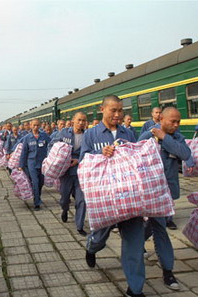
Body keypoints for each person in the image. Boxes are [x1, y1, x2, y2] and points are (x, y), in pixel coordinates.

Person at [80, 95, 145, 297]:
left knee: (134, 243)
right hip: (105, 198)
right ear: (102, 109)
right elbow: (83, 162)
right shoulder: (91, 135)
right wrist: (101, 155)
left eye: (120, 110)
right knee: (100, 237)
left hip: (128, 196)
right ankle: (91, 248)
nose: (117, 115)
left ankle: (135, 289)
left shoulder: (129, 133)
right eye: (113, 110)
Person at [138, 107, 192, 291]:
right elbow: (135, 159)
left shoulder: (176, 137)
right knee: (156, 227)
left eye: (179, 122)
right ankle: (166, 270)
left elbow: (185, 154)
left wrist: (164, 137)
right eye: (172, 121)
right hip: (148, 192)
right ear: (161, 118)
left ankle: (166, 270)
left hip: (165, 193)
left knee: (157, 226)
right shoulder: (146, 136)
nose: (176, 125)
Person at [49, 112, 87, 236]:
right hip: (65, 172)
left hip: (80, 171)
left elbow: (91, 152)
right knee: (64, 197)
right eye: (79, 120)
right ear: (73, 120)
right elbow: (52, 146)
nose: (81, 123)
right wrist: (57, 159)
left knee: (81, 200)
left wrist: (78, 160)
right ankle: (65, 209)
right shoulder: (64, 133)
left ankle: (79, 226)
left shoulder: (87, 136)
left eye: (83, 120)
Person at [19, 119, 51, 210]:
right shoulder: (27, 138)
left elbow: (51, 145)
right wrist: (21, 165)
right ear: (30, 126)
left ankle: (38, 196)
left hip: (42, 163)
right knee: (35, 182)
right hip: (31, 163)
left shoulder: (44, 136)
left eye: (37, 125)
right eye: (34, 125)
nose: (36, 127)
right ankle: (36, 202)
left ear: (40, 125)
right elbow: (24, 152)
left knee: (41, 182)